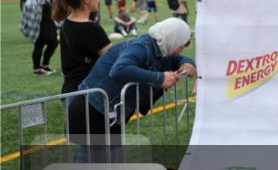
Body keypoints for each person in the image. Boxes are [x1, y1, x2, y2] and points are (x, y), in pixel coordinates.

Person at [68, 18, 196, 158]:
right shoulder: (142, 46)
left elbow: (177, 59)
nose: (184, 48)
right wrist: (159, 78)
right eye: (184, 43)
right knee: (94, 163)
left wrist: (187, 63)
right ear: (174, 39)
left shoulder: (160, 47)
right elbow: (119, 69)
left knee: (105, 162)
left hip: (107, 111)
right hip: (92, 109)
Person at [53, 0, 112, 95]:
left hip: (70, 90)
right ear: (86, 0)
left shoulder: (67, 22)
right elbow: (114, 59)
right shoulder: (91, 29)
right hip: (87, 94)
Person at [20, 0, 58, 75]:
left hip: (49, 25)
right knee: (39, 46)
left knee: (54, 43)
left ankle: (45, 65)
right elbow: (29, 9)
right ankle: (37, 68)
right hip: (39, 26)